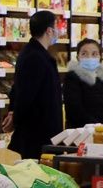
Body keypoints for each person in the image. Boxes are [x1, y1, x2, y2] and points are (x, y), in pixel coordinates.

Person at [5, 10, 62, 160]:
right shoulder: (35, 57)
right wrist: (15, 116)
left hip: (39, 128)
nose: (58, 31)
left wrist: (14, 113)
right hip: (37, 130)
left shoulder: (35, 53)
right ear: (49, 31)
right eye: (56, 27)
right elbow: (26, 94)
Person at [62, 38, 103, 129]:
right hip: (81, 130)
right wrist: (97, 127)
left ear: (100, 57)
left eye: (94, 54)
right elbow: (74, 110)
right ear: (78, 57)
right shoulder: (72, 77)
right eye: (84, 54)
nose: (89, 57)